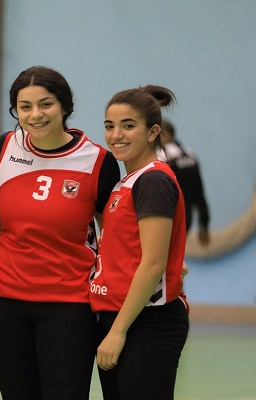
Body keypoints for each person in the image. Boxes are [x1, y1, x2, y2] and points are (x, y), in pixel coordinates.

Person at [0, 66, 120, 399]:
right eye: (25, 106)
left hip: (69, 304)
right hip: (4, 302)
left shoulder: (98, 160)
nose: (35, 114)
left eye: (45, 104)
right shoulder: (3, 148)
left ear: (64, 106)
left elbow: (113, 235)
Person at [89, 85, 189, 399]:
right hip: (118, 315)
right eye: (109, 126)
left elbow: (153, 263)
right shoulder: (127, 182)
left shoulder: (153, 180)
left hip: (147, 321)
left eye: (128, 125)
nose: (116, 135)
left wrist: (118, 331)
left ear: (152, 132)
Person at [159, 118, 210, 246]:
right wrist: (204, 224)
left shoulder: (160, 156)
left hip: (169, 214)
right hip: (187, 215)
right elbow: (199, 192)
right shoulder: (189, 154)